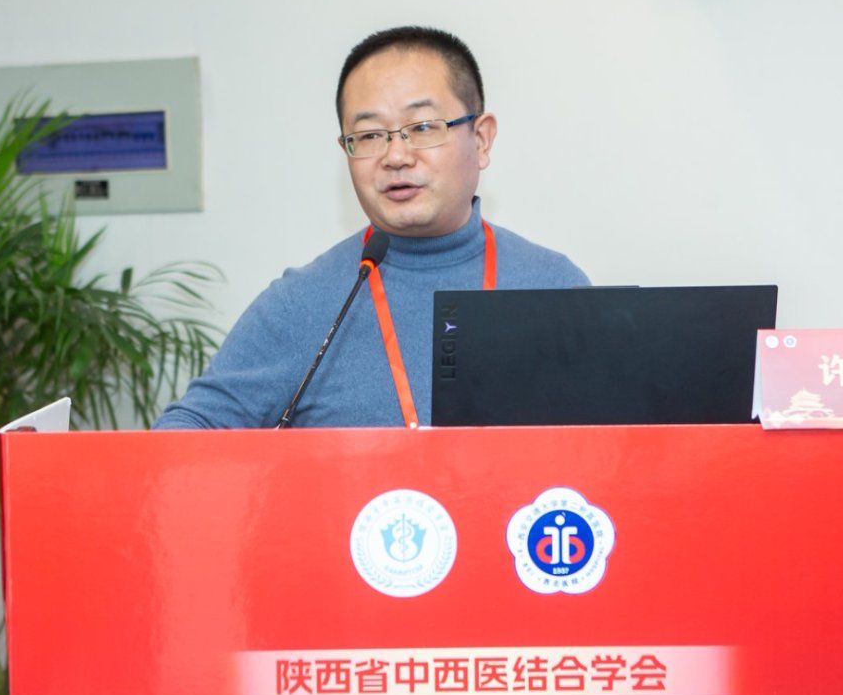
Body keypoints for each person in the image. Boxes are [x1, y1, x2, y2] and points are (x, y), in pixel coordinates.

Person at [155, 26, 589, 429]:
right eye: (368, 135)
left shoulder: (554, 287)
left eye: (422, 127)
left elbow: (610, 453)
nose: (396, 156)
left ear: (480, 139)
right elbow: (184, 436)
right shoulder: (302, 302)